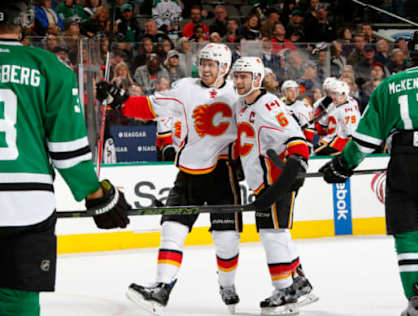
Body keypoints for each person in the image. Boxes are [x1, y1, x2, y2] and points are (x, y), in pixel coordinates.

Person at [318, 31, 418, 315]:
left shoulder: (388, 85)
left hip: (401, 161)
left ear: (407, 56)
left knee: (407, 237)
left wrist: (343, 164)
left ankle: (416, 302)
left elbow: (365, 140)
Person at [0, 2, 130, 316]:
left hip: (27, 203)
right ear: (25, 22)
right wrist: (96, 194)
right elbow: (67, 150)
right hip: (26, 205)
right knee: (18, 300)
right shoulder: (50, 67)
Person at [96, 43, 243, 315]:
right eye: (204, 63)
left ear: (225, 67)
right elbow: (152, 107)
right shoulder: (186, 87)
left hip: (225, 173)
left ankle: (227, 285)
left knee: (226, 238)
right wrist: (120, 100)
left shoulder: (239, 92)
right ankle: (162, 287)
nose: (207, 68)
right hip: (189, 171)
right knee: (172, 228)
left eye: (213, 64)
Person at [232, 57, 318, 315]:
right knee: (276, 232)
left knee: (273, 234)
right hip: (263, 183)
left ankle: (285, 291)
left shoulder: (268, 105)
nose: (238, 81)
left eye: (244, 77)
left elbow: (298, 145)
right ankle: (298, 282)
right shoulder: (241, 105)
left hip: (278, 180)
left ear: (257, 79)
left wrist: (278, 188)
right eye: (236, 76)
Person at [314, 79, 360, 156]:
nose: (333, 97)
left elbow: (351, 134)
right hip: (330, 138)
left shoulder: (349, 110)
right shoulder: (332, 105)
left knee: (317, 151)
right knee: (315, 149)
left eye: (336, 94)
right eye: (332, 94)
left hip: (341, 141)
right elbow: (322, 124)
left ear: (343, 95)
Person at [281, 80, 315, 147]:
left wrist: (307, 145)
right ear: (284, 93)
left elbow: (309, 128)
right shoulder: (279, 107)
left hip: (299, 142)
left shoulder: (303, 106)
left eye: (295, 91)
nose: (294, 93)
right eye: (290, 91)